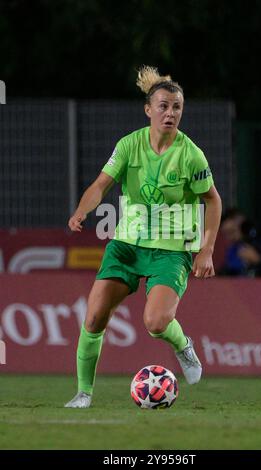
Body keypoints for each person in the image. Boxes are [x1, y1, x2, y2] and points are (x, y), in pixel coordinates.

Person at [65, 65, 222, 408]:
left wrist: (206, 249)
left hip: (170, 250)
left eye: (176, 107)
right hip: (126, 246)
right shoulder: (128, 145)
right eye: (163, 106)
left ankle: (183, 346)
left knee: (155, 322)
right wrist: (82, 211)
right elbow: (101, 185)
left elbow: (213, 199)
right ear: (148, 110)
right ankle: (83, 393)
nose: (170, 113)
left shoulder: (191, 154)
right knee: (94, 317)